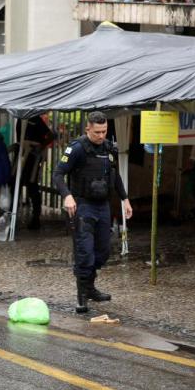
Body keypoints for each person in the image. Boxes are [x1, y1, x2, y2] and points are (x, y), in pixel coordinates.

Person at [52, 112, 133, 314]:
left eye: (104, 131)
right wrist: (67, 196)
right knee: (84, 252)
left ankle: (90, 286)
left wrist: (125, 199)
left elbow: (116, 176)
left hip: (103, 206)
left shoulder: (108, 148)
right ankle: (82, 296)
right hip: (83, 205)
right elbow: (58, 174)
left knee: (103, 252)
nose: (101, 135)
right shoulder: (77, 148)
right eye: (97, 132)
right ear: (87, 128)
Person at [15, 116, 56, 230]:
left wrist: (40, 145)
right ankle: (12, 215)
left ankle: (35, 218)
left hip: (31, 158)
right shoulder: (19, 117)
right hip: (20, 156)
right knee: (14, 183)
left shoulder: (35, 119)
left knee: (32, 186)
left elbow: (51, 136)